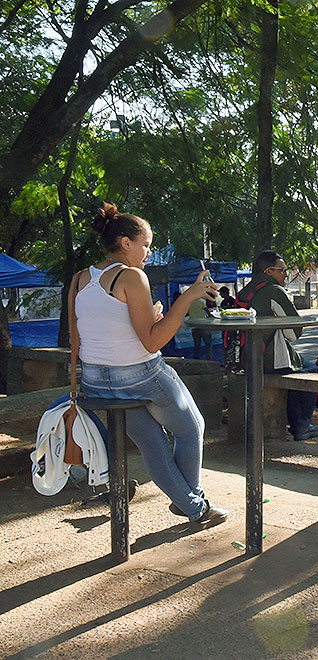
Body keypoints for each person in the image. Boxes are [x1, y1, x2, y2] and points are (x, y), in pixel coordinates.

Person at [69, 202, 227, 528]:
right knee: (191, 427)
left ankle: (193, 506)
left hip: (96, 380)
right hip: (139, 375)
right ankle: (191, 501)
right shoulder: (131, 276)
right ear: (126, 243)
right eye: (146, 245)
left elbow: (79, 338)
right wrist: (188, 297)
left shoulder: (79, 279)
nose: (148, 253)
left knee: (153, 443)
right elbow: (153, 342)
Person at [238, 250, 318, 441]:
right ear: (269, 271)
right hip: (269, 359)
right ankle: (301, 425)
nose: (286, 274)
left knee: (299, 368)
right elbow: (294, 334)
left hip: (244, 358)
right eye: (282, 270)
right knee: (310, 372)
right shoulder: (274, 291)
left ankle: (299, 424)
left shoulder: (247, 290)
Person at [186, 295, 213, 360]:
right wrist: (210, 316)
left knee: (197, 345)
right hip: (203, 325)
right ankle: (208, 359)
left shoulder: (189, 303)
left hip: (194, 327)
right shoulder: (202, 301)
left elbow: (187, 313)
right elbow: (207, 311)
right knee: (208, 344)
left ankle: (196, 359)